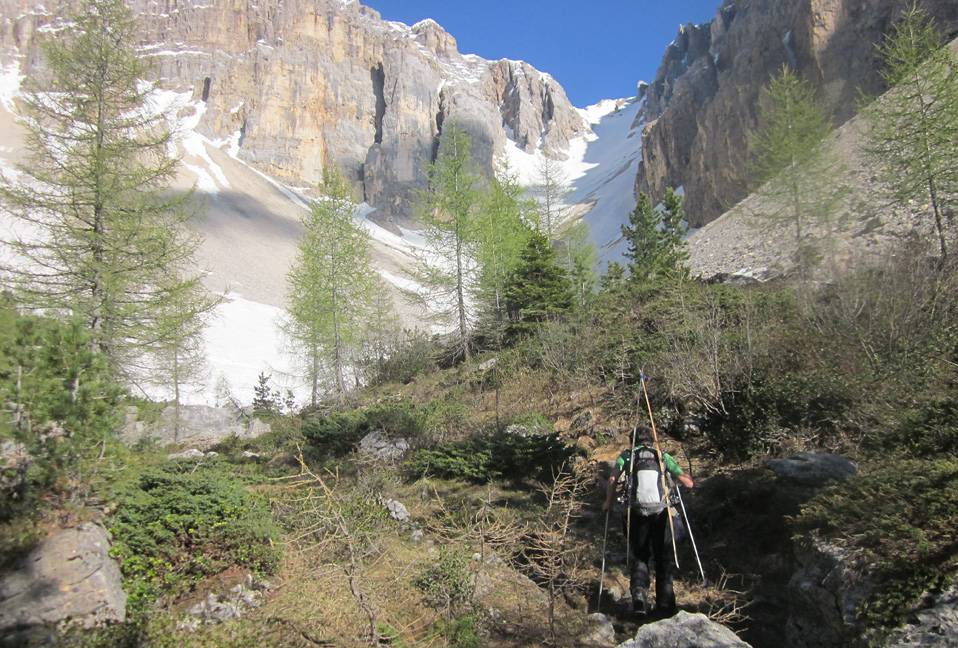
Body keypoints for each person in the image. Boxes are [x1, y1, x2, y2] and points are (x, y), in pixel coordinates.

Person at [602, 427, 694, 618]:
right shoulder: (662, 457)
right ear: (651, 440)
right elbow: (688, 483)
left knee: (640, 554)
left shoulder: (627, 456)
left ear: (632, 441)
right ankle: (666, 605)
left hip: (636, 512)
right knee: (662, 557)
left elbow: (612, 478)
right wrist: (679, 479)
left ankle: (639, 595)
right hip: (660, 513)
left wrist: (607, 503)